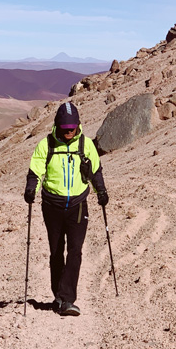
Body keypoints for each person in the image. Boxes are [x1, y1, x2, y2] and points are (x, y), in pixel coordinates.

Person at [24, 102, 108, 316]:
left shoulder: (86, 145)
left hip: (78, 205)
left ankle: (67, 298)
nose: (69, 131)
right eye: (65, 127)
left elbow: (96, 171)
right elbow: (35, 170)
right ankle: (58, 296)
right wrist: (31, 188)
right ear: (57, 126)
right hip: (52, 205)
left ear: (78, 125)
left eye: (72, 127)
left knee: (75, 251)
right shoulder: (46, 145)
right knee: (56, 252)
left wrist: (101, 191)